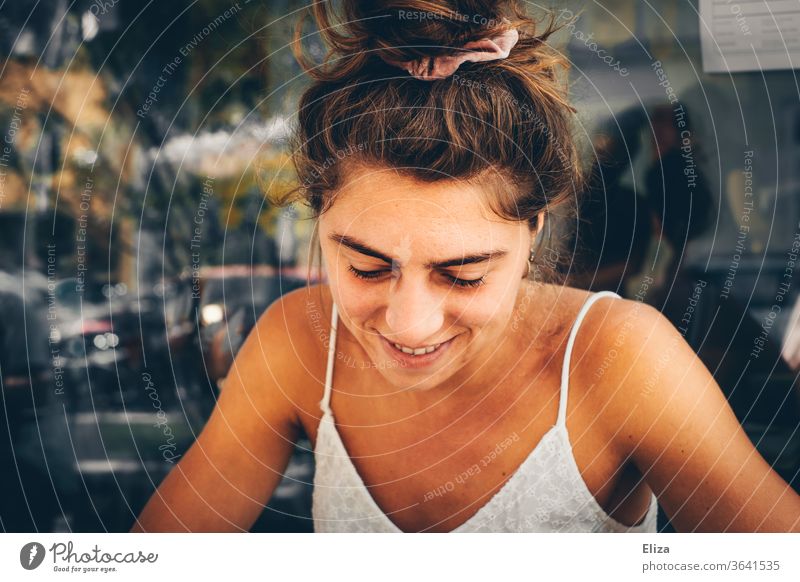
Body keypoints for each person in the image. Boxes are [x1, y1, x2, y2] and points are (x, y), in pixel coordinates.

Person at [131, 0, 800, 533]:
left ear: (533, 231)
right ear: (319, 221)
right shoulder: (298, 343)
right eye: (366, 267)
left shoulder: (618, 358)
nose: (411, 323)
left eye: (464, 273)